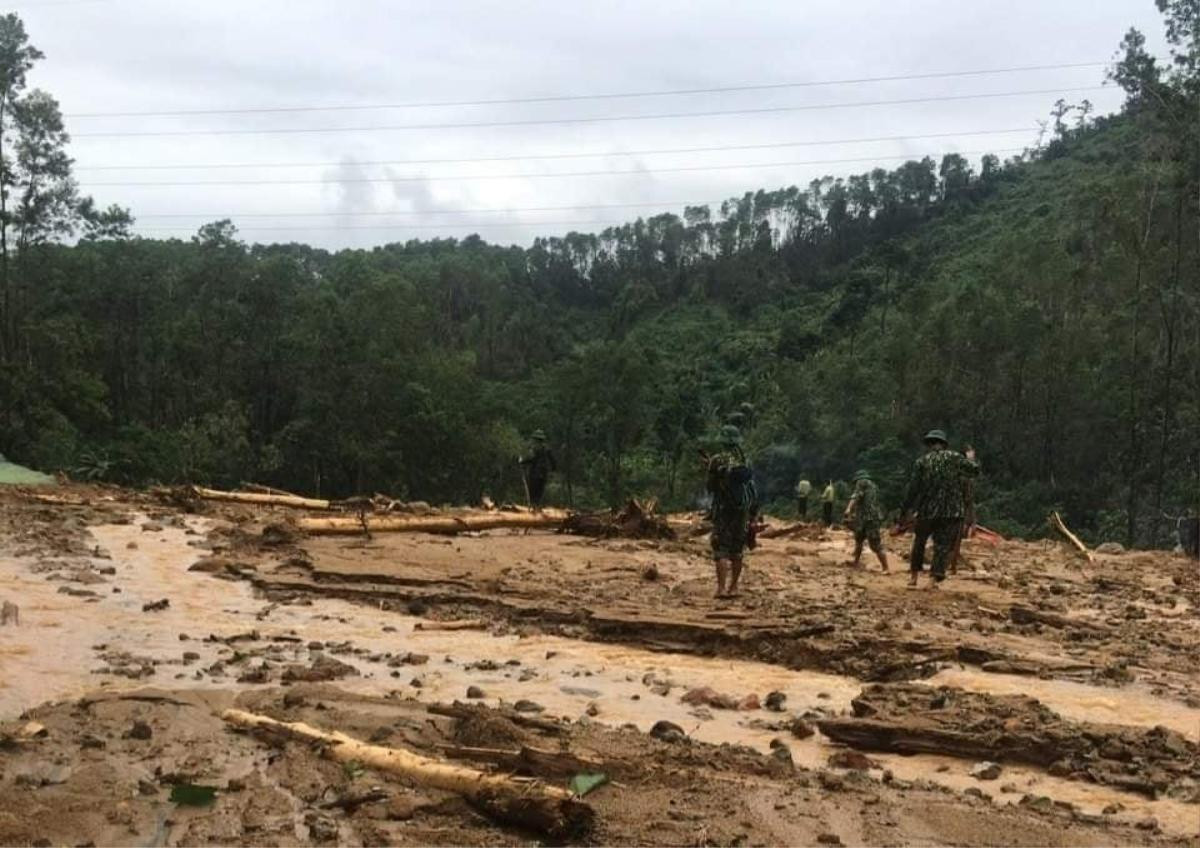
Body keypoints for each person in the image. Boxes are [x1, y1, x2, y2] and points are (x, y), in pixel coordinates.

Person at [898, 429, 979, 589]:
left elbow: (913, 489)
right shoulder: (955, 457)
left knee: (919, 542)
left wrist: (905, 510)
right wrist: (970, 458)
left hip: (927, 509)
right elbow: (974, 471)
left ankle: (913, 578)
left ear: (929, 444)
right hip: (951, 511)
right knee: (942, 545)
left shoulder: (921, 462)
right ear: (944, 444)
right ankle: (933, 580)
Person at [706, 424, 758, 598]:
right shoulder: (745, 460)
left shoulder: (717, 460)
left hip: (723, 510)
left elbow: (710, 487)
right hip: (742, 511)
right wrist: (754, 514)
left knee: (720, 548)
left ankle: (721, 589)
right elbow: (752, 488)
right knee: (737, 550)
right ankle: (734, 587)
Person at [844, 470, 889, 572]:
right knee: (858, 539)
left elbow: (855, 496)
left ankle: (886, 567)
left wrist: (848, 509)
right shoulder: (874, 486)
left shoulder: (862, 482)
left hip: (869, 518)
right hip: (867, 517)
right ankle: (856, 561)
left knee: (875, 543)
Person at [518, 430, 556, 513]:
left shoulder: (536, 448)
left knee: (533, 490)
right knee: (539, 491)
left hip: (535, 473)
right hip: (544, 473)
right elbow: (553, 461)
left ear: (536, 439)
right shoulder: (547, 449)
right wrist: (553, 469)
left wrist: (522, 461)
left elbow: (532, 459)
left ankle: (534, 508)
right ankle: (537, 507)